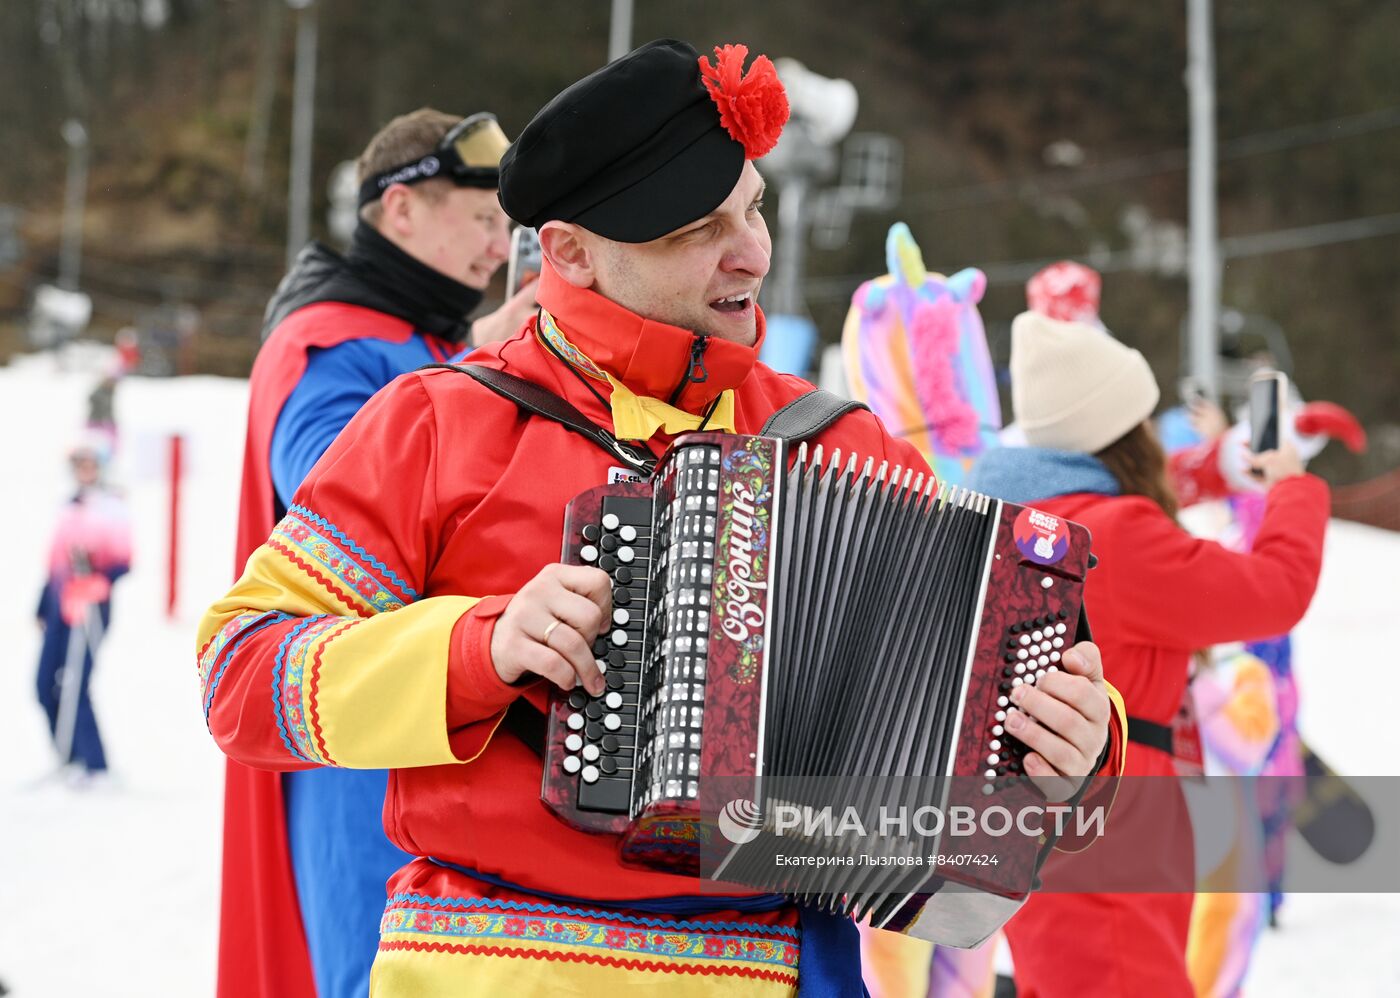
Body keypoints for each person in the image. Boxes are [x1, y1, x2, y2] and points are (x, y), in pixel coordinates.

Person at [200, 39, 1122, 995]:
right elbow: (240, 673)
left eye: (754, 207)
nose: (752, 253)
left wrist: (1072, 757)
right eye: (696, 229)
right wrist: (475, 650)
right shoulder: (436, 425)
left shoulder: (843, 447)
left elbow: (980, 824)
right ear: (570, 252)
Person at [221, 108, 539, 998]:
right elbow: (336, 486)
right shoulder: (327, 341)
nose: (495, 248)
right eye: (482, 220)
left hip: (439, 716)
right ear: (400, 210)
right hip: (360, 733)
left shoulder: (426, 342)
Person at [967, 312, 1330, 998]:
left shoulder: (1026, 525)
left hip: (1045, 826)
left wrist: (1223, 457)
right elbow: (1276, 592)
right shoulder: (1118, 534)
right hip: (1123, 819)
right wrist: (1291, 486)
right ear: (1126, 434)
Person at [36, 437, 132, 782]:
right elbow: (55, 559)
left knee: (76, 682)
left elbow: (123, 560)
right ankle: (69, 755)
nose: (85, 471)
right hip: (60, 604)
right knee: (44, 682)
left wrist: (98, 578)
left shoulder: (111, 506)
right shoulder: (69, 505)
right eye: (80, 464)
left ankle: (95, 764)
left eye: (91, 464)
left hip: (91, 606)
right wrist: (42, 603)